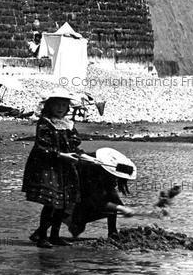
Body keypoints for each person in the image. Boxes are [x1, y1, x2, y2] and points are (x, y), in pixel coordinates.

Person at [22, 88, 82, 248]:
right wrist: (63, 156)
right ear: (50, 106)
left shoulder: (69, 124)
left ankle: (55, 235)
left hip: (65, 167)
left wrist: (83, 157)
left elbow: (74, 146)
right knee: (51, 203)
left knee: (64, 203)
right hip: (49, 166)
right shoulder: (45, 123)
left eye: (64, 105)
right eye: (57, 105)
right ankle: (42, 237)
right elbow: (42, 147)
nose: (61, 108)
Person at [65, 149, 136, 238]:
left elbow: (113, 198)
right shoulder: (90, 170)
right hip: (76, 197)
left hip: (85, 200)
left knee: (114, 205)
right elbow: (95, 200)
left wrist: (121, 207)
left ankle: (112, 232)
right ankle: (66, 219)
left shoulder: (109, 176)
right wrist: (121, 208)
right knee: (77, 226)